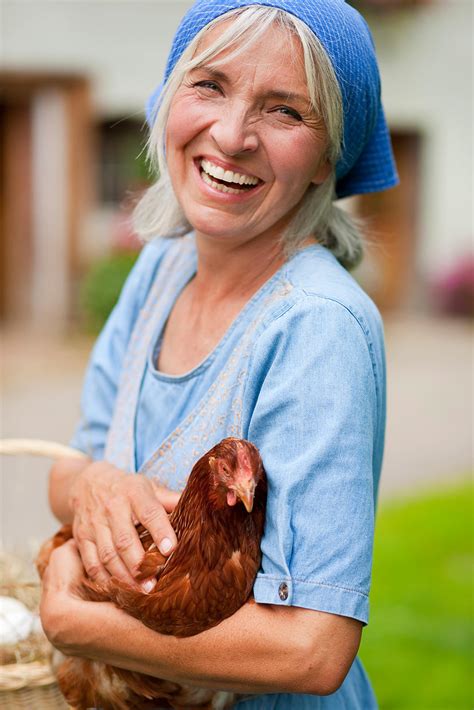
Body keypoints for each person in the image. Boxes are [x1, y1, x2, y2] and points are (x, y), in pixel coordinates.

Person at [40, 1, 398, 707]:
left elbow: (314, 649)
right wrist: (97, 487)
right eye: (209, 85)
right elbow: (74, 465)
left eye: (286, 111)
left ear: (332, 152)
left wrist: (79, 625)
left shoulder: (316, 326)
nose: (231, 136)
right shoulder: (162, 267)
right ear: (170, 98)